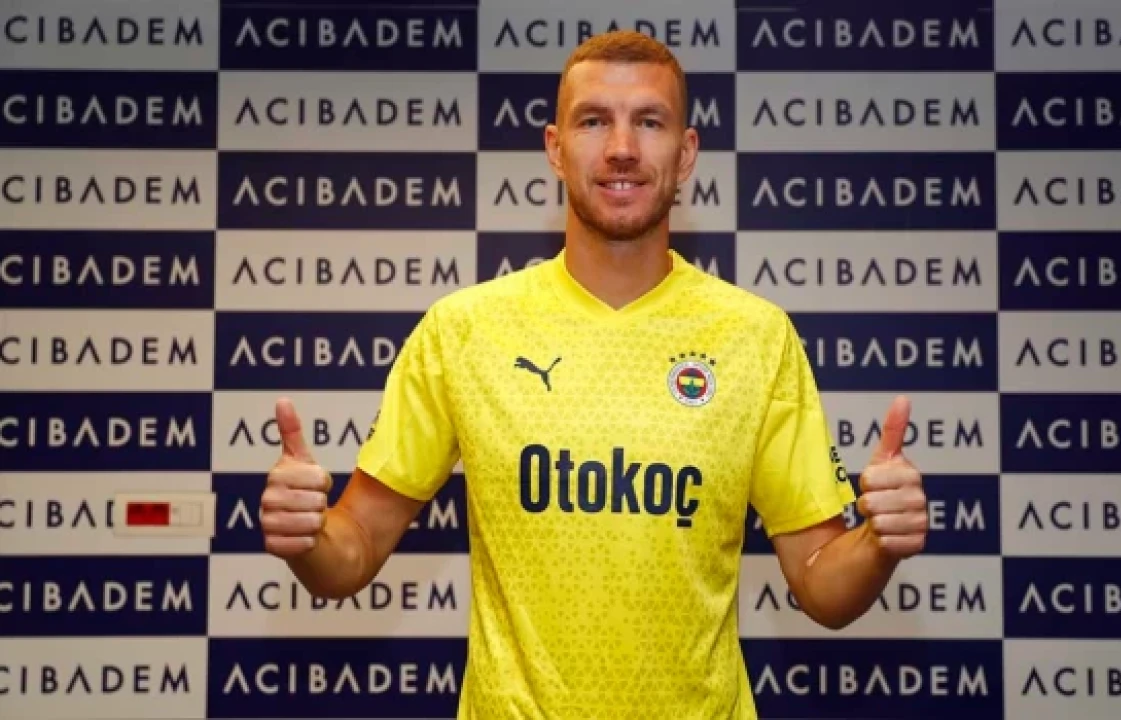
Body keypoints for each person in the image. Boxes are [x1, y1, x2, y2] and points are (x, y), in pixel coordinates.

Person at [261, 30, 928, 719]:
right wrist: (309, 538)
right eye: (593, 121)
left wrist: (877, 543)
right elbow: (355, 548)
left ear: (686, 152)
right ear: (555, 148)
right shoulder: (463, 331)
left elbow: (822, 587)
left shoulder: (755, 337)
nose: (622, 148)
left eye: (649, 122)